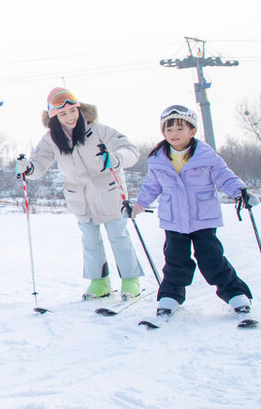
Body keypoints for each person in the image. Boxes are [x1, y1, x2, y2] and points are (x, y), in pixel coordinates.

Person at [16, 87, 145, 299]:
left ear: (79, 109)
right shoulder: (51, 139)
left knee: (118, 237)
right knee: (90, 241)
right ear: (54, 117)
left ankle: (131, 280)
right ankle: (99, 282)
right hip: (80, 198)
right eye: (63, 114)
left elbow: (131, 150)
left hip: (109, 193)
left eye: (73, 111)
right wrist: (28, 168)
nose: (70, 117)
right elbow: (38, 164)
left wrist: (116, 158)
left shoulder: (98, 130)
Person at [130, 104, 253, 318]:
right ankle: (170, 297)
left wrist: (240, 192)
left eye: (180, 129)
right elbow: (151, 186)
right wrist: (138, 205)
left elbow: (224, 176)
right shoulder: (157, 159)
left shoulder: (206, 156)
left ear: (192, 131)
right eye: (169, 129)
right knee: (175, 260)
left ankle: (236, 294)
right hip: (174, 220)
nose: (174, 134)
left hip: (202, 218)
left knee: (212, 259)